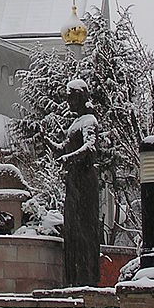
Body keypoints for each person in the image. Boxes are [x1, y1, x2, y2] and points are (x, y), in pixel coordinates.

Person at [48, 78, 101, 287]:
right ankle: (73, 278)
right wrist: (46, 140)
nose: (68, 102)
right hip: (74, 182)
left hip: (85, 182)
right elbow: (63, 149)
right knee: (72, 229)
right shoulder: (75, 123)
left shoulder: (89, 121)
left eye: (71, 97)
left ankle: (86, 277)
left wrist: (69, 159)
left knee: (84, 229)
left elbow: (90, 147)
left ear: (79, 97)